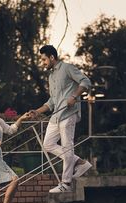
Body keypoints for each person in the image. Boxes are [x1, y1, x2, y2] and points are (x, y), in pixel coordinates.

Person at [30, 45, 92, 193]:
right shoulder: (50, 76)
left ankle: (66, 183)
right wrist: (37, 112)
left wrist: (74, 96)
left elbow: (86, 82)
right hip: (56, 115)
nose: (43, 62)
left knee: (67, 146)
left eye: (44, 59)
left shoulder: (67, 68)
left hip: (68, 114)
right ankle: (80, 163)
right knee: (47, 144)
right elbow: (52, 101)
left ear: (52, 57)